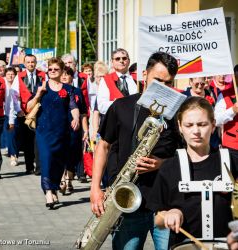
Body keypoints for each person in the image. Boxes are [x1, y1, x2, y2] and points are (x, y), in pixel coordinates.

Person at [90, 52, 180, 250]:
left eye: (168, 83)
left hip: (165, 204)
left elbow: (186, 156)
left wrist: (161, 164)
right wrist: (95, 188)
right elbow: (103, 145)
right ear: (144, 74)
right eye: (157, 80)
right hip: (127, 203)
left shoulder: (177, 113)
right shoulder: (121, 106)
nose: (163, 88)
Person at [146, 96, 236, 247]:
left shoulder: (232, 161)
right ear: (180, 127)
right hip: (183, 245)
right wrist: (169, 214)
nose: (196, 131)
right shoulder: (169, 167)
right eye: (189, 125)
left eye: (202, 124)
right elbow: (157, 219)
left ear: (213, 125)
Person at [27, 57, 80, 209]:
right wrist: (38, 94)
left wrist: (75, 117)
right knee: (46, 159)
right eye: (50, 69)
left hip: (62, 131)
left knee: (58, 162)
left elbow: (73, 106)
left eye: (56, 69)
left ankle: (54, 186)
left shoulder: (67, 89)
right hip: (44, 131)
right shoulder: (42, 86)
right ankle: (48, 192)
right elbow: (29, 107)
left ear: (62, 71)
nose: (52, 71)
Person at [9, 54, 47, 175]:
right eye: (28, 62)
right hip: (25, 113)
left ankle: (39, 167)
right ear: (24, 64)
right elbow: (14, 95)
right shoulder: (19, 76)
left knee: (38, 140)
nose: (31, 64)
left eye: (33, 62)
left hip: (40, 112)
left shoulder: (43, 75)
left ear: (36, 63)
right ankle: (29, 166)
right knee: (27, 141)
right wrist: (18, 109)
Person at [60, 66, 88, 193]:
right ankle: (62, 178)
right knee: (61, 154)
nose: (64, 76)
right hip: (60, 127)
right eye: (63, 74)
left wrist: (86, 130)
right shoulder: (56, 91)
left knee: (72, 155)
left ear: (72, 77)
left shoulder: (77, 91)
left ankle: (69, 179)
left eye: (67, 74)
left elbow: (83, 113)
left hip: (74, 129)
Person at [97, 48, 137, 116]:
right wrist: (118, 103)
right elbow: (101, 106)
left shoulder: (138, 78)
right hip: (116, 120)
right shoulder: (106, 80)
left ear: (129, 61)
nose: (121, 61)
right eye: (117, 59)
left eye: (124, 58)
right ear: (112, 62)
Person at [4, 67, 19, 166]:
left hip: (17, 113)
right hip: (4, 114)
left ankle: (14, 154)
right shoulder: (3, 85)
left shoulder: (18, 85)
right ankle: (13, 155)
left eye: (12, 74)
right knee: (10, 135)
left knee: (15, 135)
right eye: (8, 74)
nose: (10, 76)